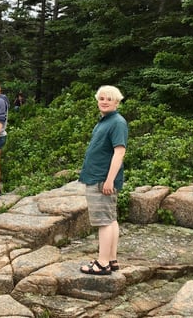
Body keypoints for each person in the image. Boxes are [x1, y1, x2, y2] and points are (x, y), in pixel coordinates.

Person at [79, 85, 128, 275]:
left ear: (117, 101)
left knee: (104, 222)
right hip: (97, 176)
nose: (104, 101)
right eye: (101, 98)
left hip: (102, 179)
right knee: (110, 219)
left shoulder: (117, 122)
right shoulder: (106, 120)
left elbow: (120, 151)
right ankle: (112, 259)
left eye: (109, 99)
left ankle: (102, 263)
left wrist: (109, 180)